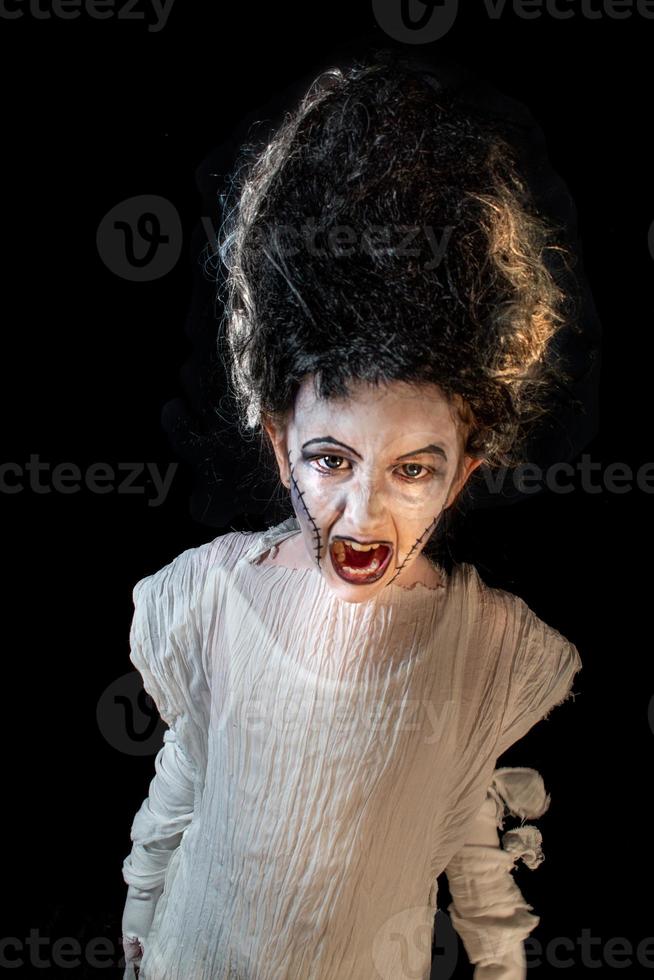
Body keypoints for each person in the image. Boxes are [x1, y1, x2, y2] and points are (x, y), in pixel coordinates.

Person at [120, 52, 584, 980]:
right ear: (280, 443)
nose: (364, 511)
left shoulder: (479, 643)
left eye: (414, 470)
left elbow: (465, 824)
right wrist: (140, 907)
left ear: (461, 478)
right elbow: (187, 769)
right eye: (332, 460)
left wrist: (499, 961)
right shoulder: (213, 597)